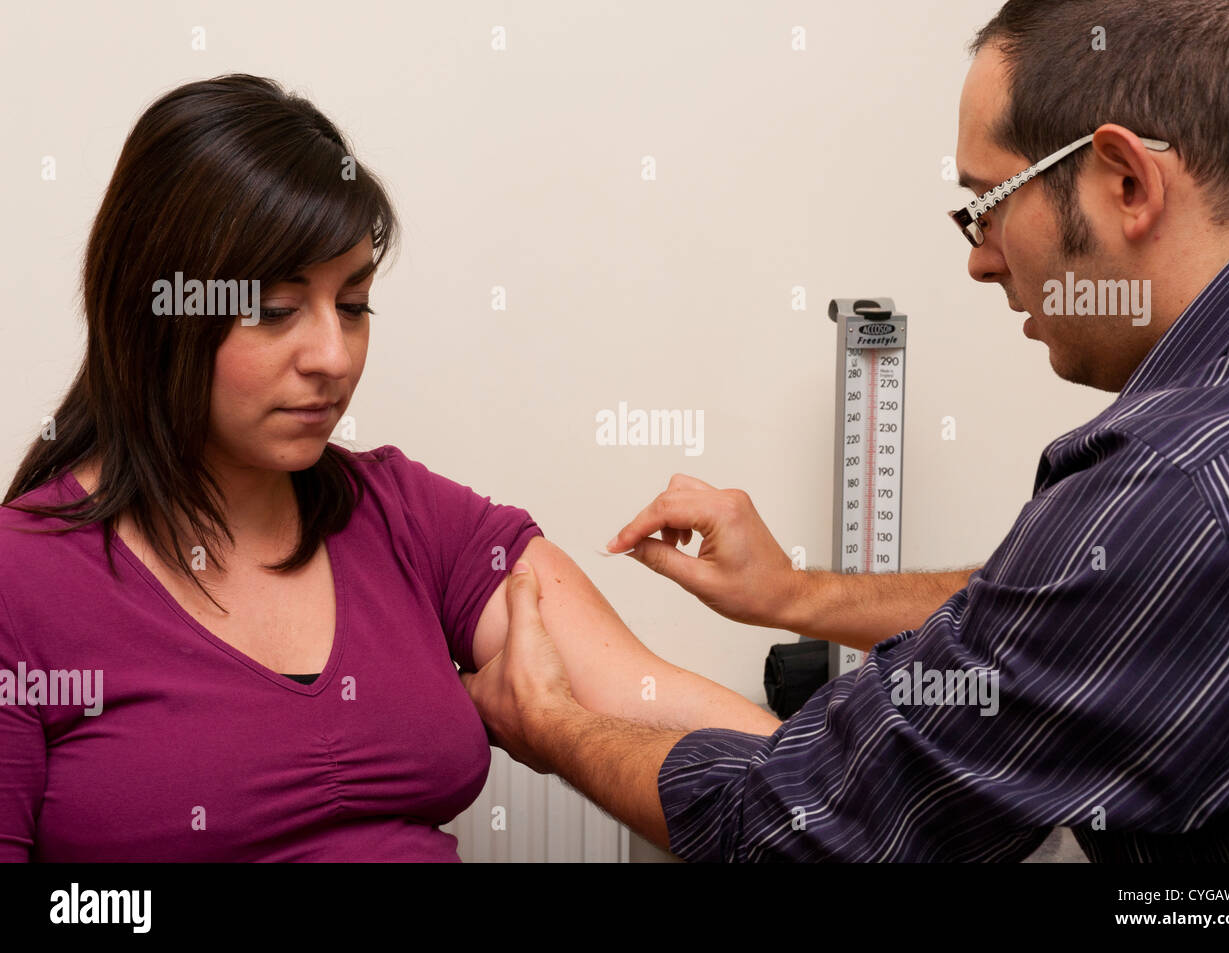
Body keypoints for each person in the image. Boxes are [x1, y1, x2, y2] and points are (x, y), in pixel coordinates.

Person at [461, 0, 1229, 861]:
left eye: (988, 203)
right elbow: (1085, 608)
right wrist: (796, 595)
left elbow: (799, 830)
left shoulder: (1181, 484)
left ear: (1126, 181)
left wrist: (554, 724)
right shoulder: (1228, 455)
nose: (980, 258)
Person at [0, 74, 780, 862]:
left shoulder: (406, 514)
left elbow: (648, 700)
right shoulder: (20, 580)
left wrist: (871, 774)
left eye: (354, 304)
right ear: (154, 309)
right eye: (275, 310)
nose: (334, 358)